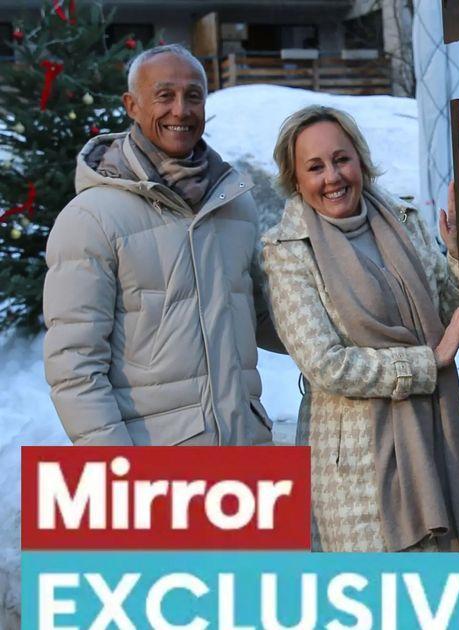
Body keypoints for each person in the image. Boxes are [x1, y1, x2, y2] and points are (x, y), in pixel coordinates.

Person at [261, 105, 459, 552]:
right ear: (295, 179)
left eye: (341, 159)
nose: (332, 177)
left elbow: (447, 315)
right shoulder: (287, 251)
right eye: (315, 167)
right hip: (357, 471)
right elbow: (326, 364)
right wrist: (427, 362)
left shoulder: (402, 221)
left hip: (435, 442)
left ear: (360, 159)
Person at [43, 44, 283, 446]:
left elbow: (261, 316)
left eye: (193, 96)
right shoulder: (91, 217)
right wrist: (117, 467)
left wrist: (356, 327)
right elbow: (74, 367)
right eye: (164, 95)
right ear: (132, 105)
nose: (180, 110)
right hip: (155, 459)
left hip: (245, 448)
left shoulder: (234, 205)